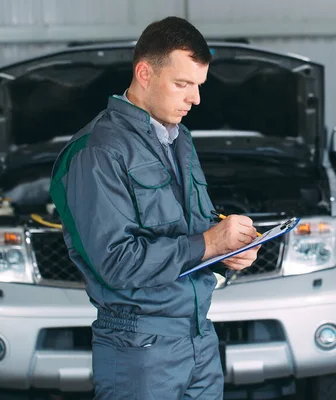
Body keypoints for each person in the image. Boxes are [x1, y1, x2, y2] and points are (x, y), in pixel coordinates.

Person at [49, 16, 260, 399]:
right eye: (183, 84)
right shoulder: (98, 151)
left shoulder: (178, 138)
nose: (195, 99)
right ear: (144, 73)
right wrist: (209, 244)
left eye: (198, 86)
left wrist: (230, 249)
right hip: (139, 349)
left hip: (198, 339)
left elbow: (192, 227)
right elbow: (116, 261)